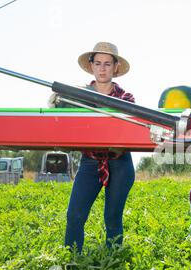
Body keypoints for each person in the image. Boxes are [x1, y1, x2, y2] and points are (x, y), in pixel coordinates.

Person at [64, 42, 135, 253]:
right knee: (74, 215)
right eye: (98, 63)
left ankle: (112, 264)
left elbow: (124, 133)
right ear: (91, 66)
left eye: (107, 64)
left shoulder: (127, 98)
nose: (102, 68)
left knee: (112, 217)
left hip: (119, 162)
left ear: (115, 68)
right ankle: (72, 260)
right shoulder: (77, 96)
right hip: (90, 162)